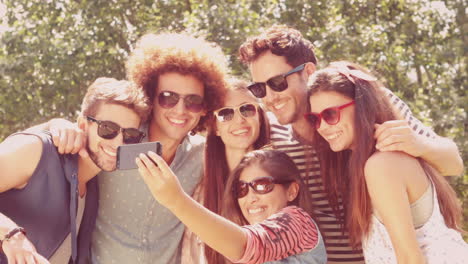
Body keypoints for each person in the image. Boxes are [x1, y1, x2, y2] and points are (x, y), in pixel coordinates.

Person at [238, 24, 464, 263]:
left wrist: (418, 144)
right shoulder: (272, 141)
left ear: (308, 72)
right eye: (259, 89)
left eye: (278, 82)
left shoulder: (366, 106)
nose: (270, 97)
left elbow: (454, 164)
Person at [46, 32, 228, 263]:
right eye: (168, 98)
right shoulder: (117, 139)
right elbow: (77, 131)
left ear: (205, 107)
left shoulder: (203, 156)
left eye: (193, 101)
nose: (180, 110)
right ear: (151, 98)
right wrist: (55, 123)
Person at [306, 61, 467, 263]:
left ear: (362, 107)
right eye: (315, 119)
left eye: (330, 114)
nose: (322, 127)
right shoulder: (375, 163)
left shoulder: (382, 165)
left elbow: (409, 258)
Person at [0, 77, 149, 264]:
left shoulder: (93, 187)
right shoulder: (38, 150)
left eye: (130, 135)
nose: (118, 142)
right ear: (82, 125)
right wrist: (10, 233)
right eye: (108, 128)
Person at [137, 149, 327, 264]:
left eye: (262, 185)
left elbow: (248, 245)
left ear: (292, 191)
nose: (250, 197)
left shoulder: (298, 221)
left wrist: (176, 200)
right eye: (242, 189)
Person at [181, 78, 270, 264]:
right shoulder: (200, 193)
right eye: (225, 114)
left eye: (247, 109)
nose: (239, 119)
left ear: (259, 116)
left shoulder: (277, 182)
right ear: (215, 127)